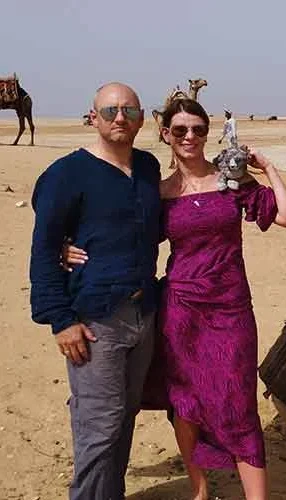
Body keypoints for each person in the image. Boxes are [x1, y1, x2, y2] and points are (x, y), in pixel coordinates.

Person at [63, 98, 286, 500]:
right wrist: (64, 246)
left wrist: (269, 169)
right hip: (180, 309)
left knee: (238, 403)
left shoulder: (231, 182)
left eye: (198, 129)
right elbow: (121, 237)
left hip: (230, 309)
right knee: (185, 401)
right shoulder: (157, 194)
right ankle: (199, 490)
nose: (190, 137)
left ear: (207, 134)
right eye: (180, 130)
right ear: (166, 135)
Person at [29, 82, 161, 499]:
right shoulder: (67, 172)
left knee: (125, 416)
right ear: (93, 117)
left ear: (141, 119)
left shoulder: (148, 168)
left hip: (143, 312)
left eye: (129, 111)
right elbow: (43, 246)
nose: (120, 118)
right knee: (99, 425)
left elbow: (148, 228)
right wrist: (60, 320)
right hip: (95, 320)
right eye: (110, 111)